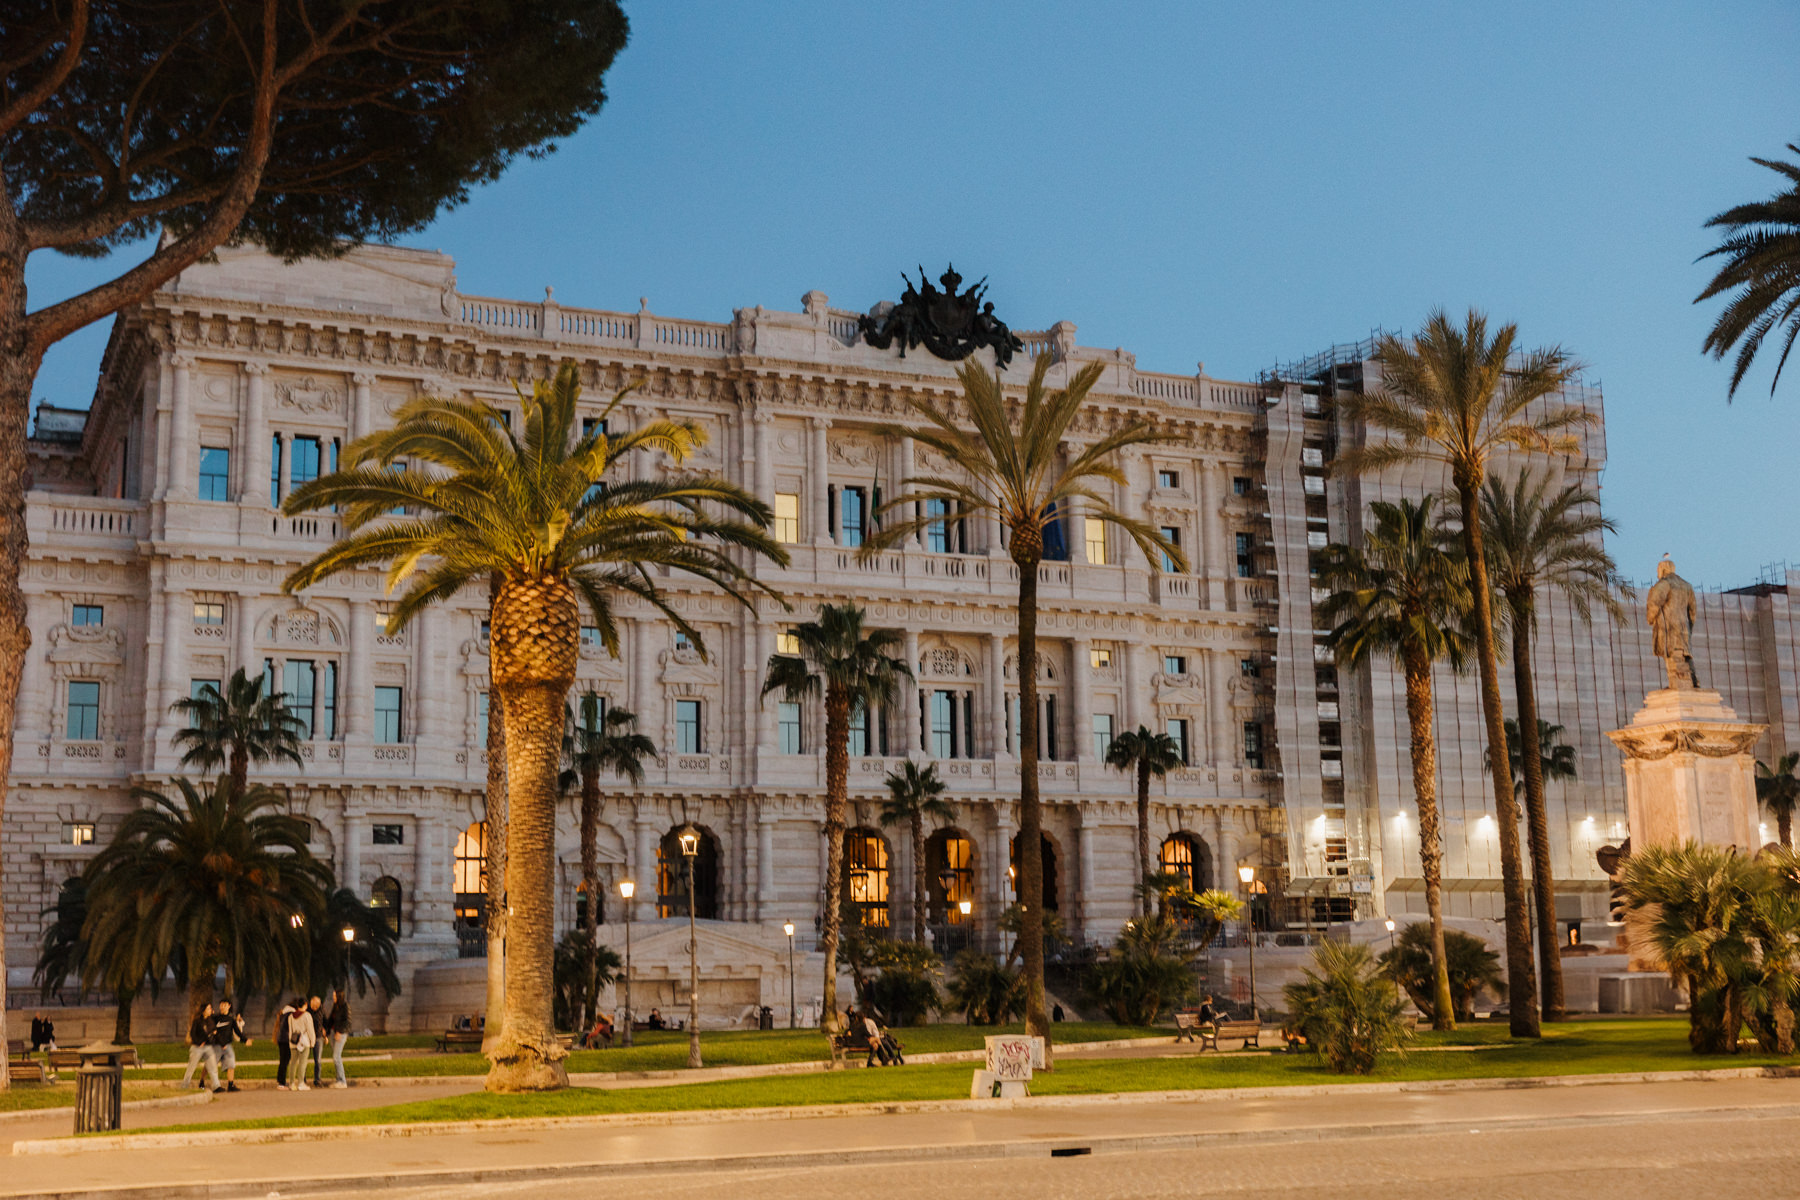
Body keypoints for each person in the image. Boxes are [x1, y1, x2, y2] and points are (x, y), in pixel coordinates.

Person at [208, 999, 251, 1093]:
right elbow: (212, 1030)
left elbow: (237, 1031)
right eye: (221, 1005)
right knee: (211, 1066)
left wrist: (245, 1040)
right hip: (217, 1046)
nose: (222, 1006)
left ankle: (230, 1085)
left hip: (227, 1046)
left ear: (229, 1006)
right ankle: (202, 1082)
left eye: (225, 1005)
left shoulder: (231, 1019)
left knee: (231, 1065)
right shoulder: (215, 1018)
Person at [179, 1003, 217, 1090]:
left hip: (208, 1047)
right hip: (197, 1047)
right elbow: (193, 1033)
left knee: (213, 1067)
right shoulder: (197, 1021)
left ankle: (216, 1086)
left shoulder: (211, 1020)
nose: (210, 1010)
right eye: (208, 1008)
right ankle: (184, 1086)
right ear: (203, 1010)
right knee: (191, 1067)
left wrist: (212, 1035)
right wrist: (198, 1042)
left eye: (211, 1008)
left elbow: (212, 1032)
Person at [288, 995, 316, 1091]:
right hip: (304, 1042)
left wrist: (291, 1042)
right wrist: (312, 1041)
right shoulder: (307, 1015)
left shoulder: (291, 1016)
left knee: (293, 1063)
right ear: (305, 1005)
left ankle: (291, 1083)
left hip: (293, 1041)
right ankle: (301, 1083)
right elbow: (310, 1029)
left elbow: (290, 1030)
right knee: (302, 1063)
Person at [325, 990, 350, 1088]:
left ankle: (342, 1081)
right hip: (333, 1033)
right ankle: (338, 1080)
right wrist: (326, 1031)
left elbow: (347, 1022)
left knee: (336, 1057)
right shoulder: (335, 1006)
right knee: (335, 1057)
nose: (333, 997)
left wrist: (340, 1031)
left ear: (339, 996)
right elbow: (331, 1020)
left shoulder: (345, 1006)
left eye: (334, 995)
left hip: (341, 1034)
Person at [274, 997, 297, 1089]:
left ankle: (281, 1080)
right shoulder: (291, 1014)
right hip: (286, 1040)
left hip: (281, 1039)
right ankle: (281, 1082)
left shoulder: (284, 1012)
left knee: (283, 1061)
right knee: (285, 1061)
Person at [306, 996, 325, 1087]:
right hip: (307, 1037)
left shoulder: (321, 1010)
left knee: (318, 1060)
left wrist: (325, 1033)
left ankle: (317, 1079)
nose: (315, 1007)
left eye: (317, 1005)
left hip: (318, 1037)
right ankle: (303, 1079)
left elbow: (324, 1022)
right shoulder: (307, 1011)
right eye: (314, 1005)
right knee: (304, 1059)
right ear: (310, 1003)